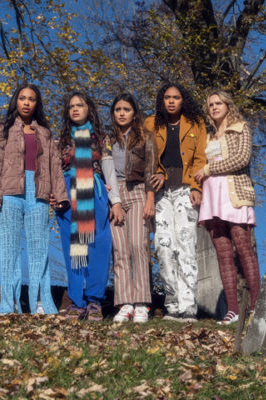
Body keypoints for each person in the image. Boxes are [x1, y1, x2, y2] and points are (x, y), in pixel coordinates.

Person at [0, 82, 69, 315]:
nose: (26, 102)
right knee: (9, 248)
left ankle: (40, 302)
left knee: (39, 248)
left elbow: (54, 165)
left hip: (38, 192)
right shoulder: (3, 129)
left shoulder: (44, 132)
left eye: (31, 99)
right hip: (10, 193)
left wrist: (60, 195)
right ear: (16, 101)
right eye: (22, 98)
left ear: (36, 104)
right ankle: (9, 303)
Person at [54, 91, 124, 321]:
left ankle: (94, 301)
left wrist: (116, 202)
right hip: (68, 192)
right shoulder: (60, 141)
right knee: (75, 248)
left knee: (98, 246)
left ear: (89, 109)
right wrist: (54, 194)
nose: (75, 109)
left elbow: (109, 171)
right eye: (71, 106)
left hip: (94, 191)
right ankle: (77, 301)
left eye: (80, 105)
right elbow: (53, 172)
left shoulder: (102, 139)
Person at [194, 89, 260, 325]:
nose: (214, 107)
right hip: (212, 197)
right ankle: (232, 310)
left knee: (243, 249)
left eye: (218, 103)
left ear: (227, 105)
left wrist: (209, 170)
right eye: (210, 104)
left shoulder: (240, 128)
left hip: (234, 194)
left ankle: (256, 307)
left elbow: (241, 159)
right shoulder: (208, 137)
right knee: (222, 255)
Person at [145, 83, 207, 322]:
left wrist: (196, 186)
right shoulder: (150, 124)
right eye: (167, 97)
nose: (171, 101)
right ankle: (172, 305)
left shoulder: (196, 123)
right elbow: (146, 156)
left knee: (186, 246)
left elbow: (200, 157)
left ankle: (188, 307)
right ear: (161, 101)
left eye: (176, 97)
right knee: (163, 247)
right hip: (160, 193)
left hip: (185, 190)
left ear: (183, 100)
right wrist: (158, 172)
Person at [109, 93, 157, 323]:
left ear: (134, 113)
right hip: (114, 196)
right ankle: (125, 302)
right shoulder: (107, 139)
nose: (121, 113)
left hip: (138, 191)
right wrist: (111, 199)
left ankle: (141, 303)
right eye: (117, 109)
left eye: (126, 109)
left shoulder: (145, 137)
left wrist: (150, 198)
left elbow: (150, 169)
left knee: (138, 245)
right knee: (120, 249)